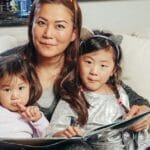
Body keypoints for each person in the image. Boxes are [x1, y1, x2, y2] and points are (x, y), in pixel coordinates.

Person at [0, 0, 149, 148]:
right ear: (31, 25)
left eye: (60, 26)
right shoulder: (9, 63)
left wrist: (144, 111)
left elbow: (129, 96)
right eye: (41, 23)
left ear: (73, 33)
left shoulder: (84, 64)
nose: (48, 33)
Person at [47, 29, 150, 150]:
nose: (94, 71)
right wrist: (62, 135)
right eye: (88, 62)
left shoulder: (120, 91)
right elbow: (52, 133)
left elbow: (140, 111)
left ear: (113, 70)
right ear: (77, 64)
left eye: (103, 65)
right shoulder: (73, 97)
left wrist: (137, 121)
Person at [0, 55, 49, 138]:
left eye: (21, 88)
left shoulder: (31, 115)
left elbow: (47, 137)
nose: (15, 96)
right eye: (7, 90)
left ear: (30, 87)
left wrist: (38, 119)